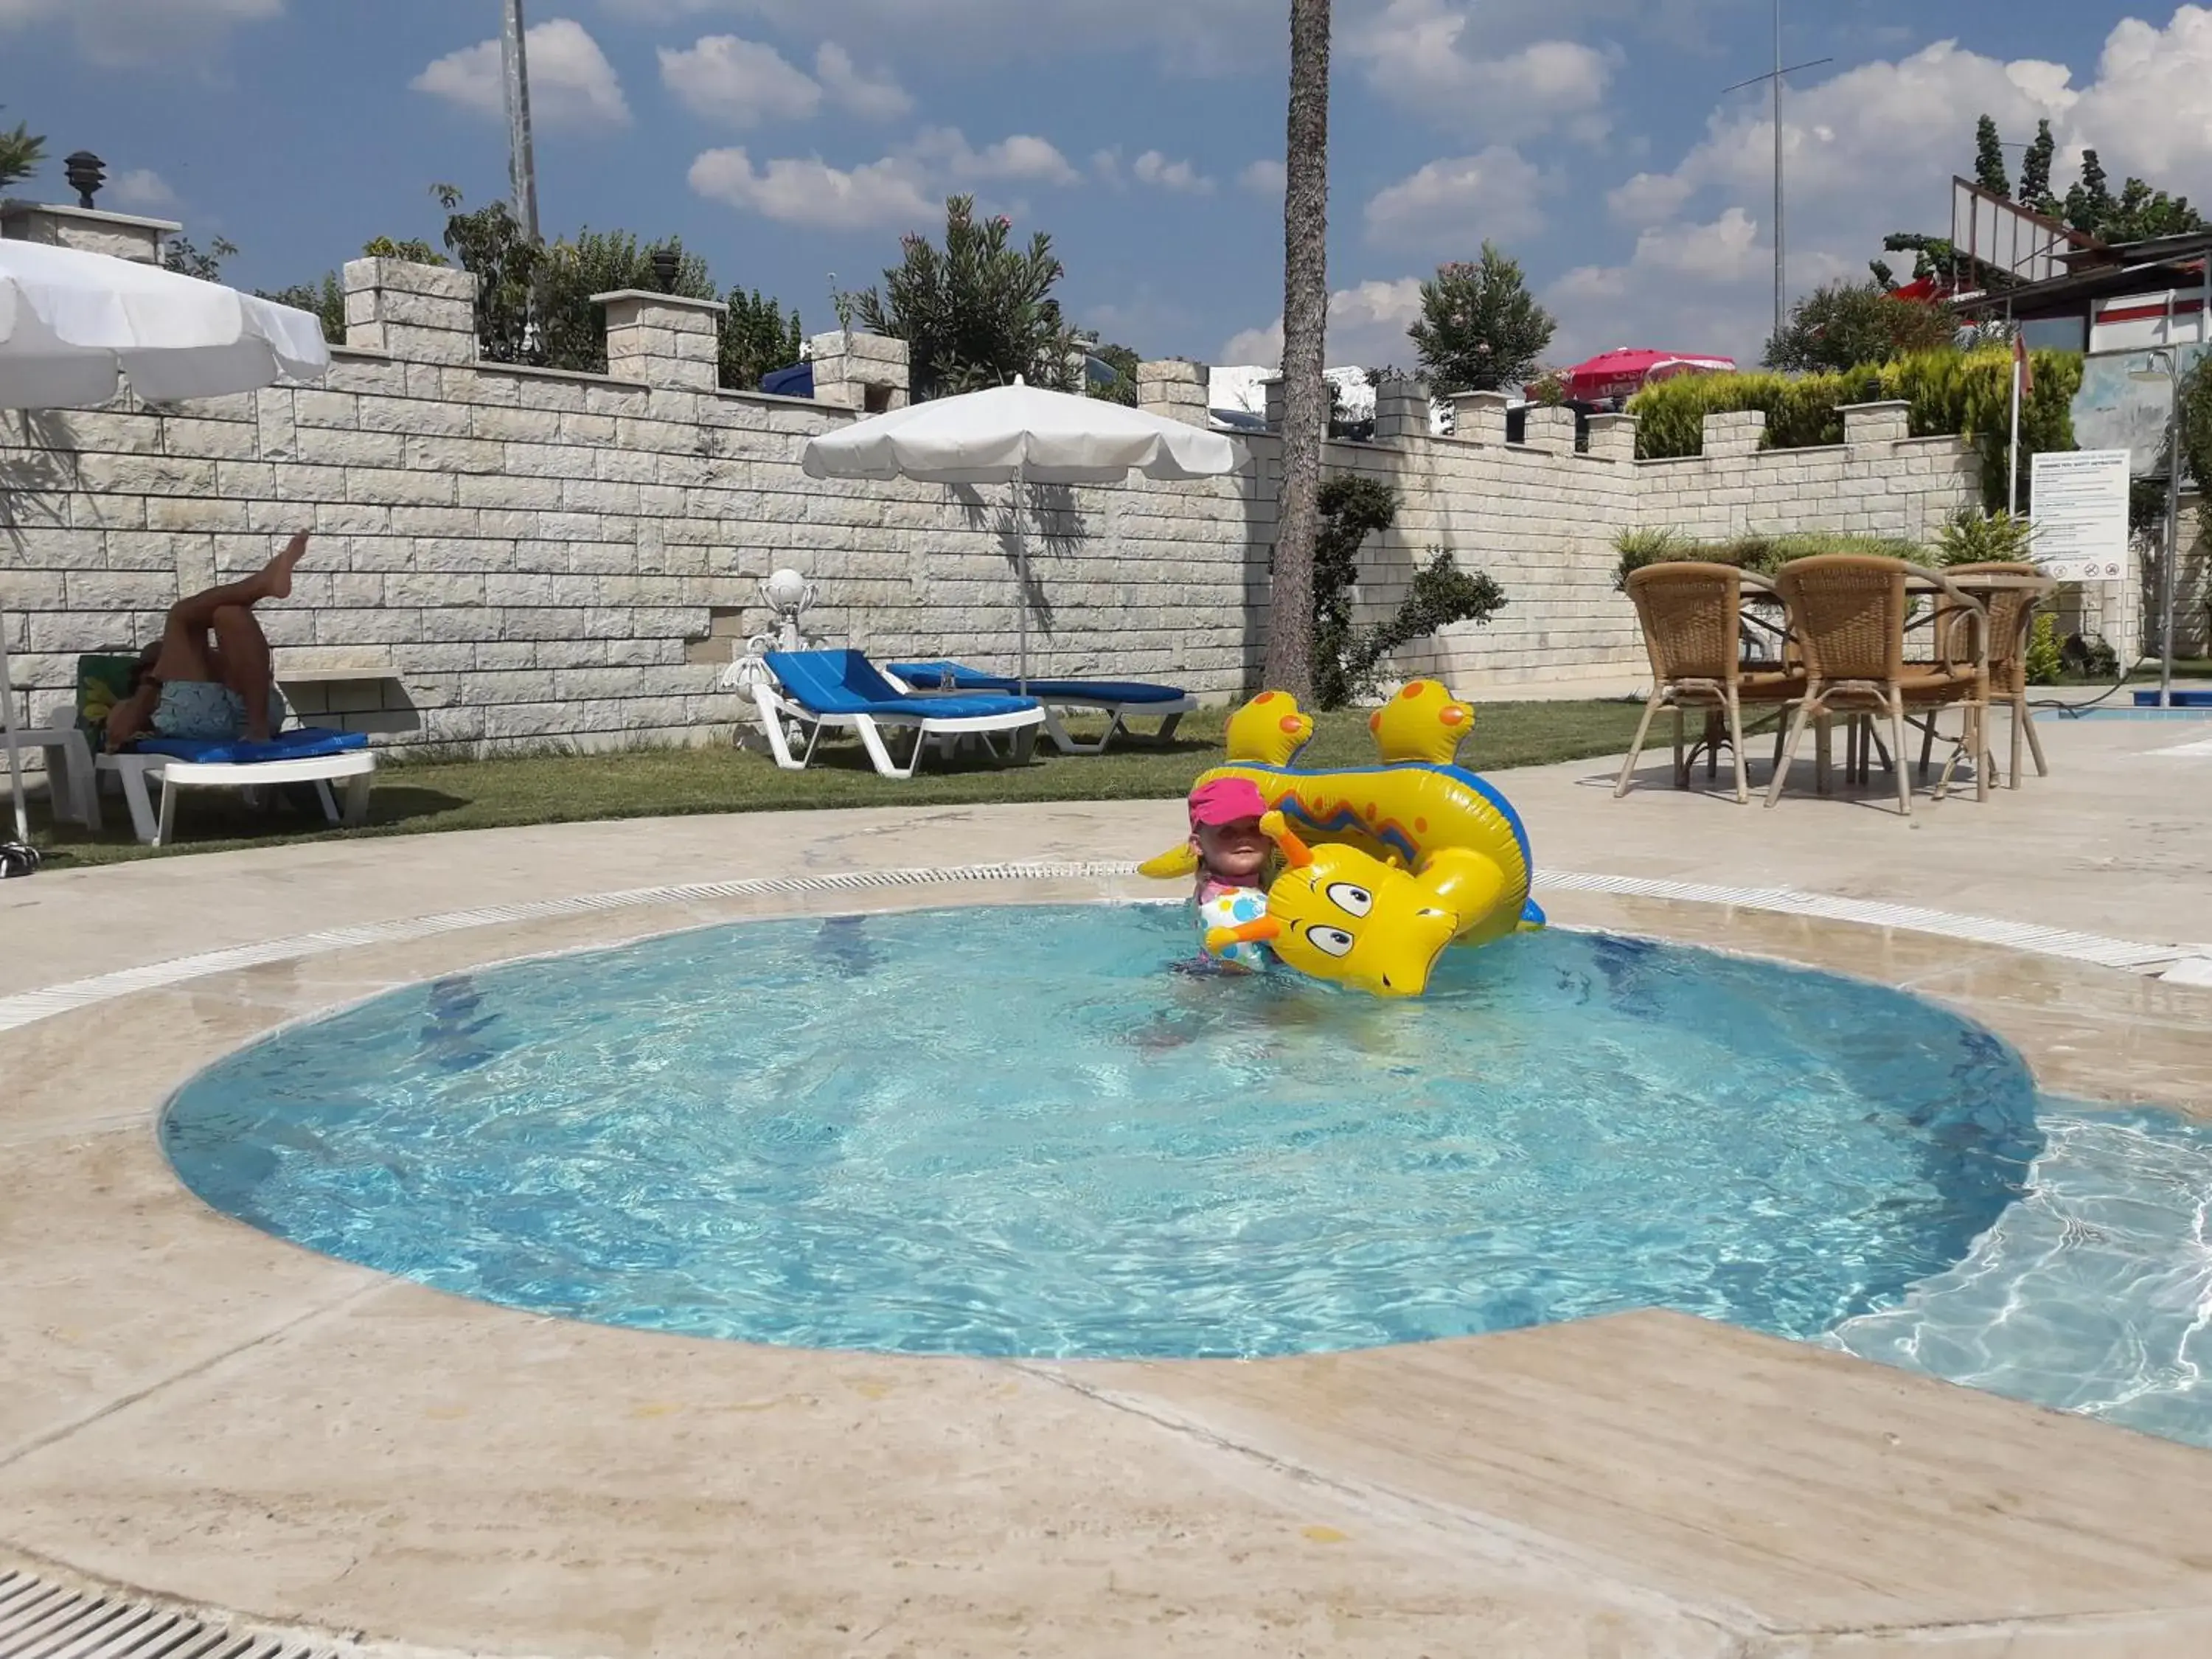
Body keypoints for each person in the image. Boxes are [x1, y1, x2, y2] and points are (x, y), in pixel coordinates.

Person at [103, 532, 307, 751]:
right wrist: (153, 681)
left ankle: (261, 583)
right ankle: (260, 584)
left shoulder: (204, 667)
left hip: (240, 711)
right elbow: (118, 736)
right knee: (182, 616)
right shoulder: (143, 698)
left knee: (227, 614)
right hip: (260, 715)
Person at [1185, 776, 1276, 973]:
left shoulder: (1261, 885)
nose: (1244, 838)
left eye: (1254, 829)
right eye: (1227, 832)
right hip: (1223, 983)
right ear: (1198, 845)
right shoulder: (1218, 900)